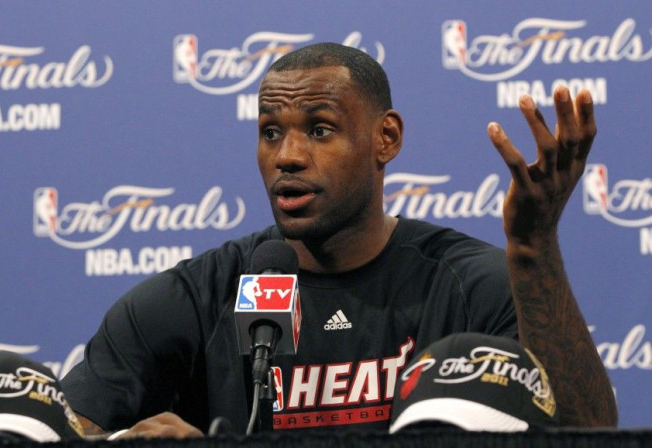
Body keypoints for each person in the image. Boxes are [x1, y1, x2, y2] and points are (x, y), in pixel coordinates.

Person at [60, 43, 617, 438]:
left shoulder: (473, 285)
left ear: (386, 138)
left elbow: (588, 431)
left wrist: (534, 248)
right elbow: (66, 426)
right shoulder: (200, 294)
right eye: (270, 131)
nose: (288, 156)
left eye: (319, 129)